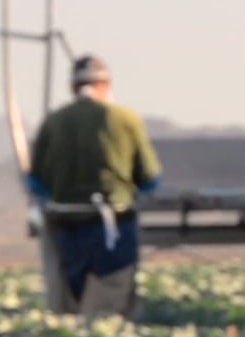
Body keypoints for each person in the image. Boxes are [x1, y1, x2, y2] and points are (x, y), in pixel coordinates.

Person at [25, 55, 162, 319]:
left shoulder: (54, 122)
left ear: (72, 87)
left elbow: (36, 181)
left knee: (71, 302)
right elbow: (149, 177)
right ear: (106, 84)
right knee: (110, 303)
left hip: (66, 225)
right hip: (114, 225)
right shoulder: (125, 119)